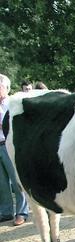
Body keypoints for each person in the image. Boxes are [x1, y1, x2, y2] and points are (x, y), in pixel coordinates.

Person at [0, 74, 29, 226]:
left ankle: (22, 212)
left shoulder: (13, 103)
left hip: (9, 144)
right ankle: (5, 212)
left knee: (16, 180)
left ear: (7, 88)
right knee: (1, 182)